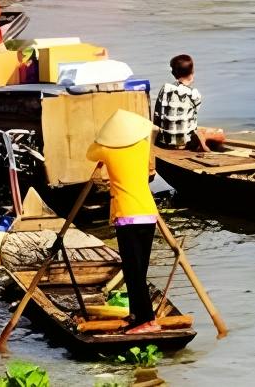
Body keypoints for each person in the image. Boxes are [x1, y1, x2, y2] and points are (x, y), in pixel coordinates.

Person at [87, 109, 163, 337]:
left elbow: (90, 153)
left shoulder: (106, 149)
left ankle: (147, 320)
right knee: (140, 271)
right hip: (148, 214)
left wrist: (103, 140)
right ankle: (137, 316)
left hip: (127, 216)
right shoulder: (141, 144)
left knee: (133, 273)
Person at [154, 53, 224, 151]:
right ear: (192, 71)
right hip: (185, 143)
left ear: (173, 73)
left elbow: (157, 116)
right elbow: (192, 121)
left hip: (163, 141)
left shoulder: (165, 89)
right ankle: (202, 146)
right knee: (220, 133)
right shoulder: (194, 94)